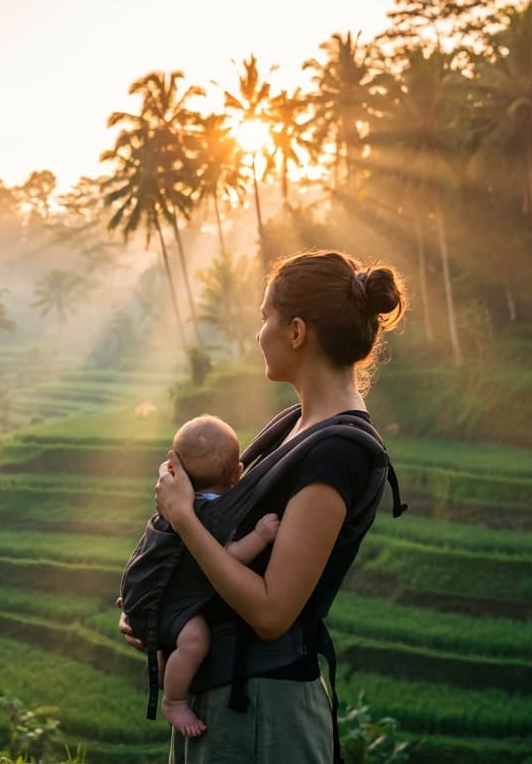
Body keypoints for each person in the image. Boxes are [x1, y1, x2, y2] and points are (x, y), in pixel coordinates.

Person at [118, 248, 406, 763]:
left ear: (296, 331)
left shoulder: (336, 452)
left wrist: (182, 518)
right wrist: (164, 612)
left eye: (265, 319)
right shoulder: (295, 426)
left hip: (261, 712)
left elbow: (273, 612)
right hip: (232, 702)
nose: (259, 335)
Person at [158, 414, 281, 738]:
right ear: (237, 475)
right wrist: (261, 536)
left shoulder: (173, 500)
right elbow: (228, 557)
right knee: (195, 640)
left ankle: (164, 673)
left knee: (169, 642)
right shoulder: (214, 513)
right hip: (179, 602)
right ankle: (173, 700)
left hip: (162, 592)